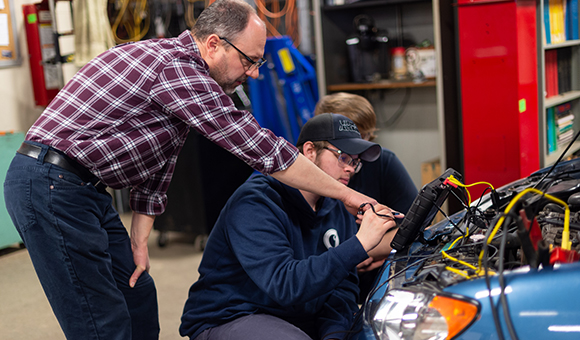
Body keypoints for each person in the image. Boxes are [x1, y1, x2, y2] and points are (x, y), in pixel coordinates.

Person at [3, 2, 381, 339]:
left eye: (257, 63)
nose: (252, 73)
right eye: (248, 60)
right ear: (213, 44)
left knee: (138, 301)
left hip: (83, 188)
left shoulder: (180, 74)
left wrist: (138, 239)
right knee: (101, 319)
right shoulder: (177, 69)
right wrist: (348, 194)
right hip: (52, 183)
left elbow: (161, 160)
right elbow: (258, 147)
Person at [180, 113, 397, 340]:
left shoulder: (336, 208)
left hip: (296, 318)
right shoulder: (256, 202)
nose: (350, 168)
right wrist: (360, 244)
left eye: (355, 162)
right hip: (233, 315)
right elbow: (285, 285)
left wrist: (334, 335)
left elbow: (342, 290)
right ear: (310, 151)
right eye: (343, 157)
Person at [314, 92, 418, 294]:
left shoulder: (383, 163)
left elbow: (418, 227)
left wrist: (368, 249)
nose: (354, 161)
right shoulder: (303, 176)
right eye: (349, 142)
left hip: (375, 282)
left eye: (365, 137)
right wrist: (358, 250)